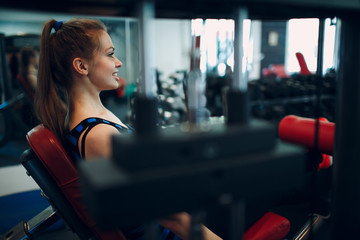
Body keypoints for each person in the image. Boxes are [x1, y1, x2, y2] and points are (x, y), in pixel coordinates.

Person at [35, 18, 221, 240]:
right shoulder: (98, 134)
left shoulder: (91, 119)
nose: (119, 62)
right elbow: (172, 218)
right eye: (110, 53)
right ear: (82, 66)